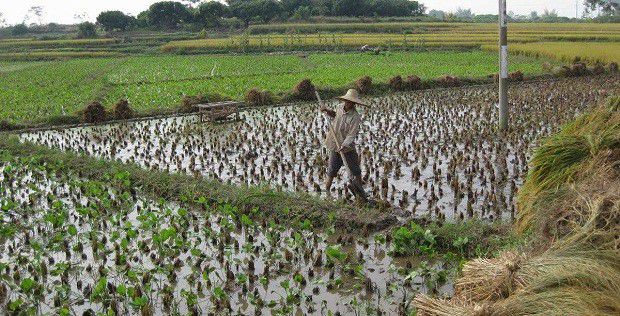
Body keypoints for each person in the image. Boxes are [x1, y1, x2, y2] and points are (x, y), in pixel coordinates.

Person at [320, 89, 370, 203]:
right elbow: (334, 115)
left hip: (347, 147)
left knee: (356, 171)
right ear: (345, 100)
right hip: (334, 143)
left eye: (351, 102)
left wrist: (343, 145)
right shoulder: (339, 107)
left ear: (354, 103)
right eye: (347, 101)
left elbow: (351, 135)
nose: (348, 103)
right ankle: (326, 194)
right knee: (332, 171)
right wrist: (327, 110)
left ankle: (360, 192)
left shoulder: (355, 117)